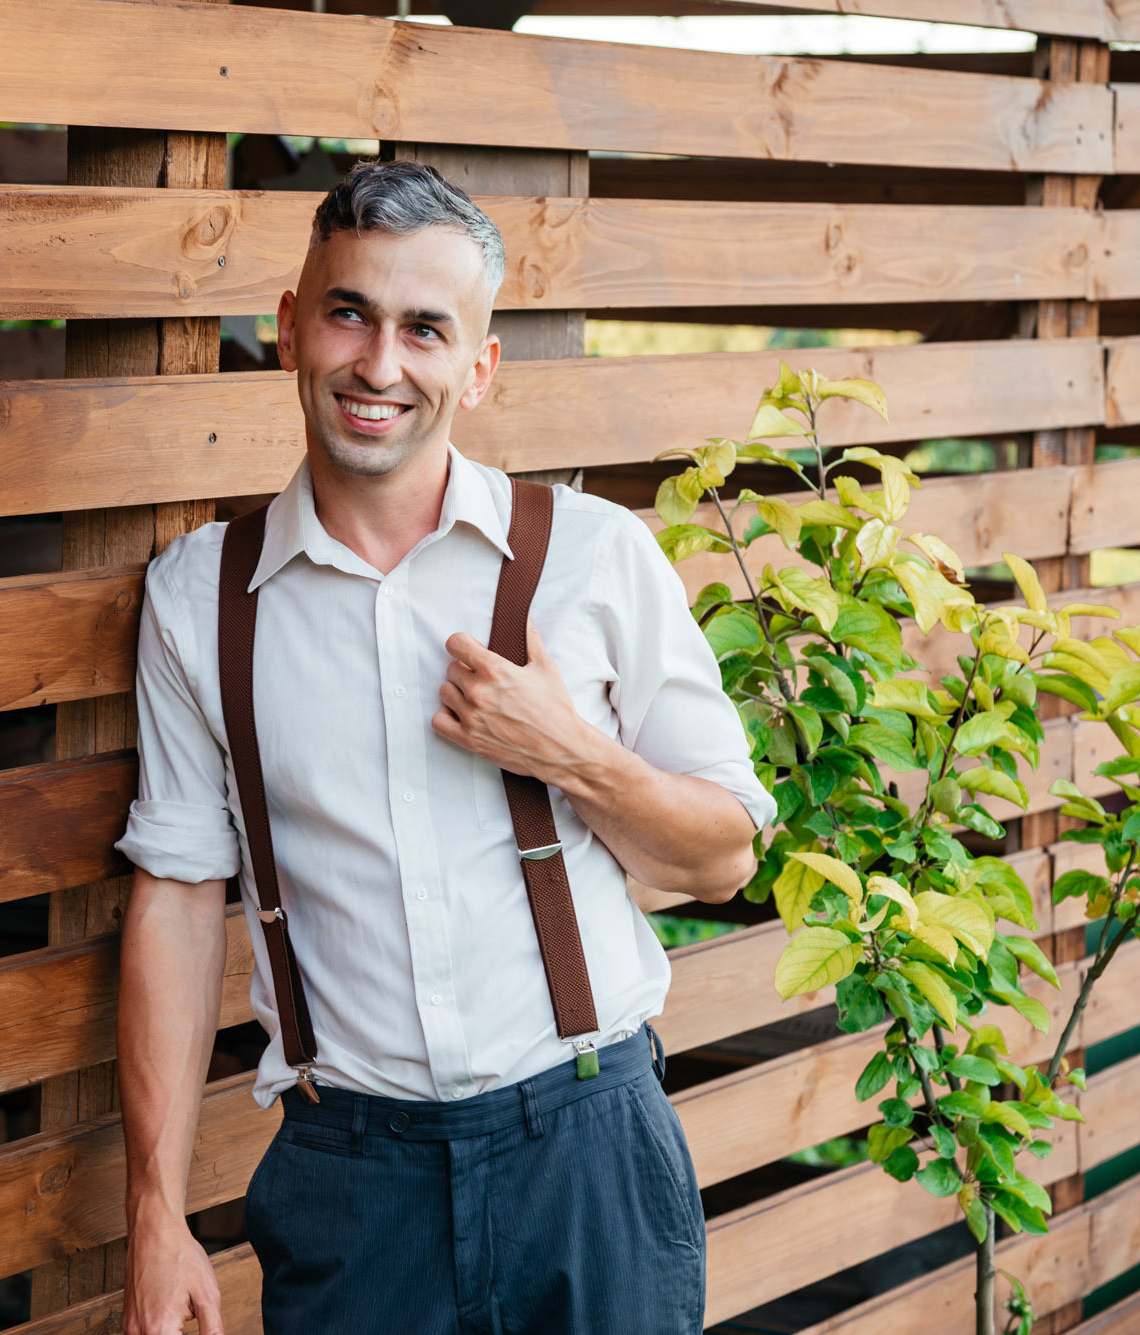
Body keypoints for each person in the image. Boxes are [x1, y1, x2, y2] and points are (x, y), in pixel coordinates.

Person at [115, 160, 774, 1335]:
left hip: (587, 1152)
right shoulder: (197, 600)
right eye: (349, 314)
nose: (379, 364)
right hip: (352, 1178)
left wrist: (571, 754)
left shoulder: (592, 554)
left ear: (477, 367)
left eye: (425, 329)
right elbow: (174, 898)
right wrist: (156, 1214)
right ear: (288, 332)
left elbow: (723, 858)